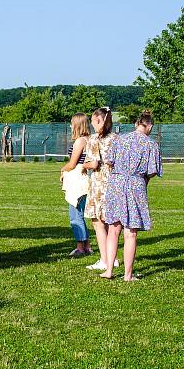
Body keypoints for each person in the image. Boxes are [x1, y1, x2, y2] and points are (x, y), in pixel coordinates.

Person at [101, 111, 162, 281]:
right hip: (136, 184)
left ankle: (109, 271)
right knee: (130, 232)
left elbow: (109, 161)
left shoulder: (119, 139)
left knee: (113, 229)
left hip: (116, 183)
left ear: (136, 124)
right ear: (149, 126)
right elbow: (152, 172)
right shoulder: (151, 145)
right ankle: (128, 275)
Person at [82, 107, 119, 271]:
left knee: (98, 222)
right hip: (115, 183)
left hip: (99, 184)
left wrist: (84, 165)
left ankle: (105, 259)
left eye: (92, 120)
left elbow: (95, 163)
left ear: (98, 120)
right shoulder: (117, 139)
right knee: (112, 223)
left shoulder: (94, 139)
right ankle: (114, 258)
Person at [60, 113, 92, 257]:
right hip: (84, 179)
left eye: (72, 123)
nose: (71, 126)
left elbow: (72, 164)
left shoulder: (80, 141)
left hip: (78, 180)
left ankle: (80, 247)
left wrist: (62, 170)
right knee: (80, 213)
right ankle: (87, 245)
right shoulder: (90, 139)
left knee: (75, 215)